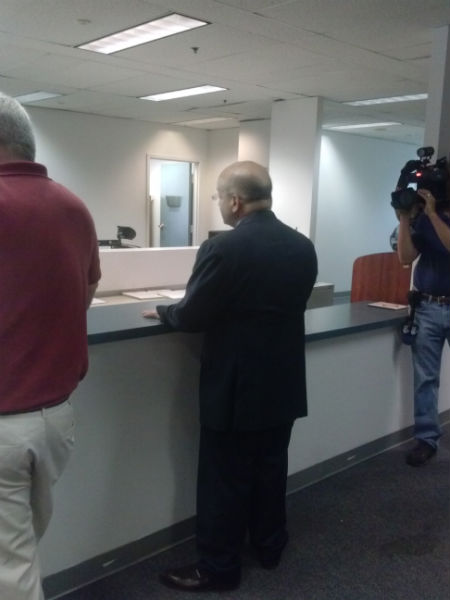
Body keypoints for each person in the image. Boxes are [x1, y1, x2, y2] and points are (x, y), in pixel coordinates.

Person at [143, 160, 317, 591]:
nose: (219, 204)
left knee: (224, 480)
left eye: (220, 197)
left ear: (235, 201)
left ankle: (218, 568)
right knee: (271, 469)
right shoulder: (302, 246)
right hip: (284, 382)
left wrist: (164, 311)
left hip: (236, 388)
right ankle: (270, 546)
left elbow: (192, 315)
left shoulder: (223, 248)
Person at [0, 92, 101, 599]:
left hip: (4, 422)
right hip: (55, 422)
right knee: (20, 548)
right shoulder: (73, 206)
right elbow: (86, 292)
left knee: (11, 566)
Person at [395, 186, 450, 466]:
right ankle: (426, 439)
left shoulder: (432, 216)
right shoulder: (424, 219)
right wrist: (405, 217)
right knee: (425, 378)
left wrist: (432, 214)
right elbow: (405, 257)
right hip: (427, 306)